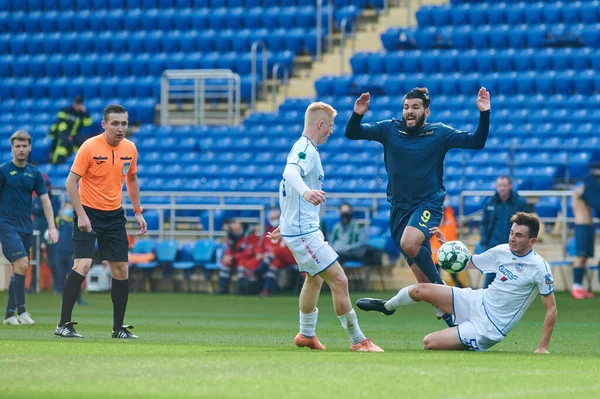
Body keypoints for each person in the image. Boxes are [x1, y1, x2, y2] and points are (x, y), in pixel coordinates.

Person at [345, 87, 491, 326]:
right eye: (406, 107)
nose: (409, 112)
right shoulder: (389, 129)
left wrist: (484, 114)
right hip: (399, 212)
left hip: (428, 204)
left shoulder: (439, 132)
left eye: (415, 107)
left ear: (426, 110)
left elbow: (477, 141)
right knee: (425, 286)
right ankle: (452, 325)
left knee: (409, 243)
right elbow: (352, 133)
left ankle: (445, 290)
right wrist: (358, 113)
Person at [267, 102, 383, 352]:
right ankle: (358, 340)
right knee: (340, 280)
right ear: (320, 124)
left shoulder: (304, 148)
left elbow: (285, 187)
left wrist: (284, 222)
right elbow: (289, 174)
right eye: (330, 126)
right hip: (303, 231)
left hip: (298, 228)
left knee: (314, 277)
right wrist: (307, 192)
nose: (332, 131)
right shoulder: (306, 149)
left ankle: (306, 334)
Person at [357, 212, 557, 353]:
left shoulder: (539, 267)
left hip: (488, 327)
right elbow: (467, 262)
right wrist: (449, 246)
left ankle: (450, 317)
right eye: (512, 233)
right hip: (476, 300)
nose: (512, 238)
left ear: (532, 241)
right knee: (420, 290)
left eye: (519, 235)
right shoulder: (502, 250)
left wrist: (542, 347)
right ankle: (387, 306)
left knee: (429, 342)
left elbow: (551, 309)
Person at [54, 104, 147, 339]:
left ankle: (118, 329)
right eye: (115, 123)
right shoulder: (89, 147)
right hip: (88, 212)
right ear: (104, 125)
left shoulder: (130, 149)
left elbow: (132, 179)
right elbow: (70, 183)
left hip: (114, 214)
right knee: (82, 266)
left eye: (124, 123)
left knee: (121, 270)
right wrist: (82, 215)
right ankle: (63, 324)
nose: (120, 128)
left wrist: (138, 211)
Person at [2, 130, 58, 326]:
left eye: (24, 146)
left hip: (26, 226)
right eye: (17, 146)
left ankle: (10, 314)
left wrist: (52, 227)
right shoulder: (3, 171)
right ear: (12, 148)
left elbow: (45, 201)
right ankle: (22, 310)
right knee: (23, 263)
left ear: (30, 148)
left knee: (20, 268)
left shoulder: (34, 173)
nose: (21, 149)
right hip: (6, 225)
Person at [479, 175, 529, 288]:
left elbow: (527, 225)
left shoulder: (520, 203)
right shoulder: (490, 202)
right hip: (494, 246)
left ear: (510, 186)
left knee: (513, 278)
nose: (502, 188)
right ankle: (484, 302)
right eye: (500, 186)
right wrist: (484, 242)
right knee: (490, 277)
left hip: (514, 247)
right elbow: (484, 224)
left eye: (504, 185)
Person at [570, 165, 600, 299]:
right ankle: (575, 286)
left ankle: (580, 287)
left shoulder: (590, 190)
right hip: (581, 225)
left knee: (586, 257)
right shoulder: (580, 189)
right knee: (580, 256)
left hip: (589, 225)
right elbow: (591, 197)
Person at [258, 209, 298, 297]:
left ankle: (261, 269)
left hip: (290, 256)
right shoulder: (266, 232)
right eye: (272, 218)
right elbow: (260, 247)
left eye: (276, 218)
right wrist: (261, 253)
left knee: (276, 251)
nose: (274, 220)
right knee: (274, 264)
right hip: (276, 259)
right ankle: (267, 289)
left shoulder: (287, 229)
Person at [217, 220, 262, 295]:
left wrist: (233, 257)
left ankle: (242, 289)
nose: (232, 225)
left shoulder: (249, 235)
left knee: (242, 264)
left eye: (235, 223)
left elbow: (249, 252)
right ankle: (223, 288)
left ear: (240, 225)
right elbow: (229, 249)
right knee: (225, 264)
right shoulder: (230, 235)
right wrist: (227, 257)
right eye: (232, 223)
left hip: (247, 259)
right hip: (235, 259)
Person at [430, 195, 466, 288]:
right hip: (436, 251)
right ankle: (438, 293)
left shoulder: (449, 213)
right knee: (436, 277)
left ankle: (459, 289)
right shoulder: (435, 214)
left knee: (454, 275)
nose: (446, 201)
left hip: (450, 249)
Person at [330, 202, 382, 266]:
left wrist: (348, 247)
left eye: (347, 211)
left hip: (353, 252)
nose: (345, 214)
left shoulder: (356, 226)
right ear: (340, 212)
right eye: (343, 212)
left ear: (350, 212)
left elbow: (362, 241)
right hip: (339, 252)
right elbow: (331, 242)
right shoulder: (336, 227)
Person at [48, 95, 93, 164]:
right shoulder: (65, 110)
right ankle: (56, 163)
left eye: (79, 104)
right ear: (73, 103)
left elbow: (88, 124)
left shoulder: (82, 114)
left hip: (74, 137)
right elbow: (60, 123)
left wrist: (85, 113)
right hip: (60, 134)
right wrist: (67, 135)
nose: (77, 105)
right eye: (76, 103)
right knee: (62, 146)